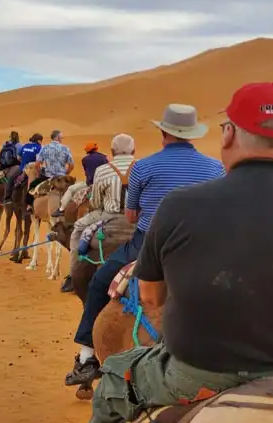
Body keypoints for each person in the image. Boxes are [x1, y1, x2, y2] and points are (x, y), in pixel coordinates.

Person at [90, 83, 273, 422]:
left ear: (228, 135)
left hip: (197, 375)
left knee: (115, 377)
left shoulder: (176, 205)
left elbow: (150, 295)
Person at [65, 103, 226, 389]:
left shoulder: (144, 167)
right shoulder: (216, 168)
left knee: (100, 282)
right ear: (192, 135)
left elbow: (130, 216)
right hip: (201, 250)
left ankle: (87, 357)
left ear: (164, 132)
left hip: (147, 246)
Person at [60, 134, 136, 293]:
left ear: (112, 151)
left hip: (108, 215)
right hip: (137, 217)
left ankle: (74, 274)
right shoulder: (142, 167)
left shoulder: (102, 170)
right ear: (133, 150)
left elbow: (95, 202)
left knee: (78, 228)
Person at [52, 141, 108, 217]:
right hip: (104, 183)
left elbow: (87, 173)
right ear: (96, 149)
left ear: (87, 150)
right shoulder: (104, 157)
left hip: (90, 183)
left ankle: (61, 209)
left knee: (71, 189)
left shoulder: (85, 159)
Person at [26, 130, 74, 212]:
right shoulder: (65, 148)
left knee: (32, 186)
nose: (61, 139)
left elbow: (37, 164)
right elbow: (71, 166)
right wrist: (66, 173)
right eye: (61, 137)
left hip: (48, 177)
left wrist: (41, 172)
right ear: (57, 138)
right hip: (63, 177)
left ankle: (30, 206)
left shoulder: (45, 148)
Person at [1, 133, 43, 205]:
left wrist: (24, 161)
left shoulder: (25, 146)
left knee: (11, 178)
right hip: (33, 170)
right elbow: (40, 161)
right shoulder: (39, 148)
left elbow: (19, 158)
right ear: (39, 141)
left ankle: (7, 198)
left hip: (22, 168)